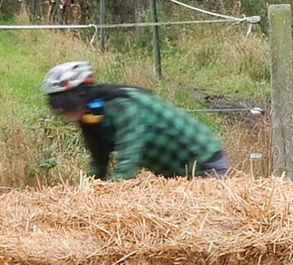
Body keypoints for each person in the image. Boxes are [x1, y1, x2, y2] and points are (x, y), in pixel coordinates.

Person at [41, 61, 230, 179]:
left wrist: (107, 201)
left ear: (81, 95)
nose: (62, 110)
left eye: (64, 103)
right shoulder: (91, 114)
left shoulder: (122, 106)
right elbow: (98, 161)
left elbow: (128, 158)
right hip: (175, 175)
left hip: (205, 165)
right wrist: (88, 194)